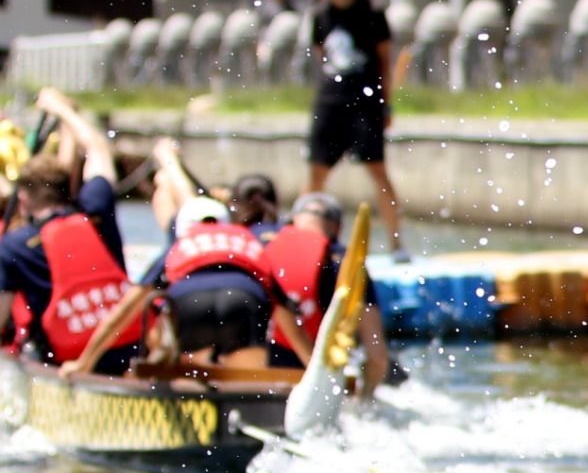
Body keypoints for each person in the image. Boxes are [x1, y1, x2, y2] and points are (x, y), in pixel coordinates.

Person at [0, 91, 134, 373]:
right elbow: (98, 148)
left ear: (23, 200)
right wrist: (63, 112)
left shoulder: (15, 245)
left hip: (64, 362)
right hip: (128, 348)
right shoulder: (94, 210)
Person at [304, 0, 403, 256]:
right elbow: (322, 58)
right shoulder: (320, 15)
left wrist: (386, 103)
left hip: (364, 103)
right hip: (330, 103)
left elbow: (385, 60)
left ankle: (397, 243)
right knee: (317, 172)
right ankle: (304, 240)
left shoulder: (370, 14)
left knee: (377, 170)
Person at [262, 190, 393, 388]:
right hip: (313, 378)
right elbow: (377, 356)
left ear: (292, 220)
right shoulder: (347, 265)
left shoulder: (259, 246)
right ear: (338, 228)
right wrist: (365, 401)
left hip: (256, 369)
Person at [143, 196, 291, 369]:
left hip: (189, 301)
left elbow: (134, 301)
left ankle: (189, 381)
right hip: (243, 299)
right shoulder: (245, 238)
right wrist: (311, 366)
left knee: (186, 373)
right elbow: (284, 309)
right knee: (250, 378)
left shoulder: (183, 243)